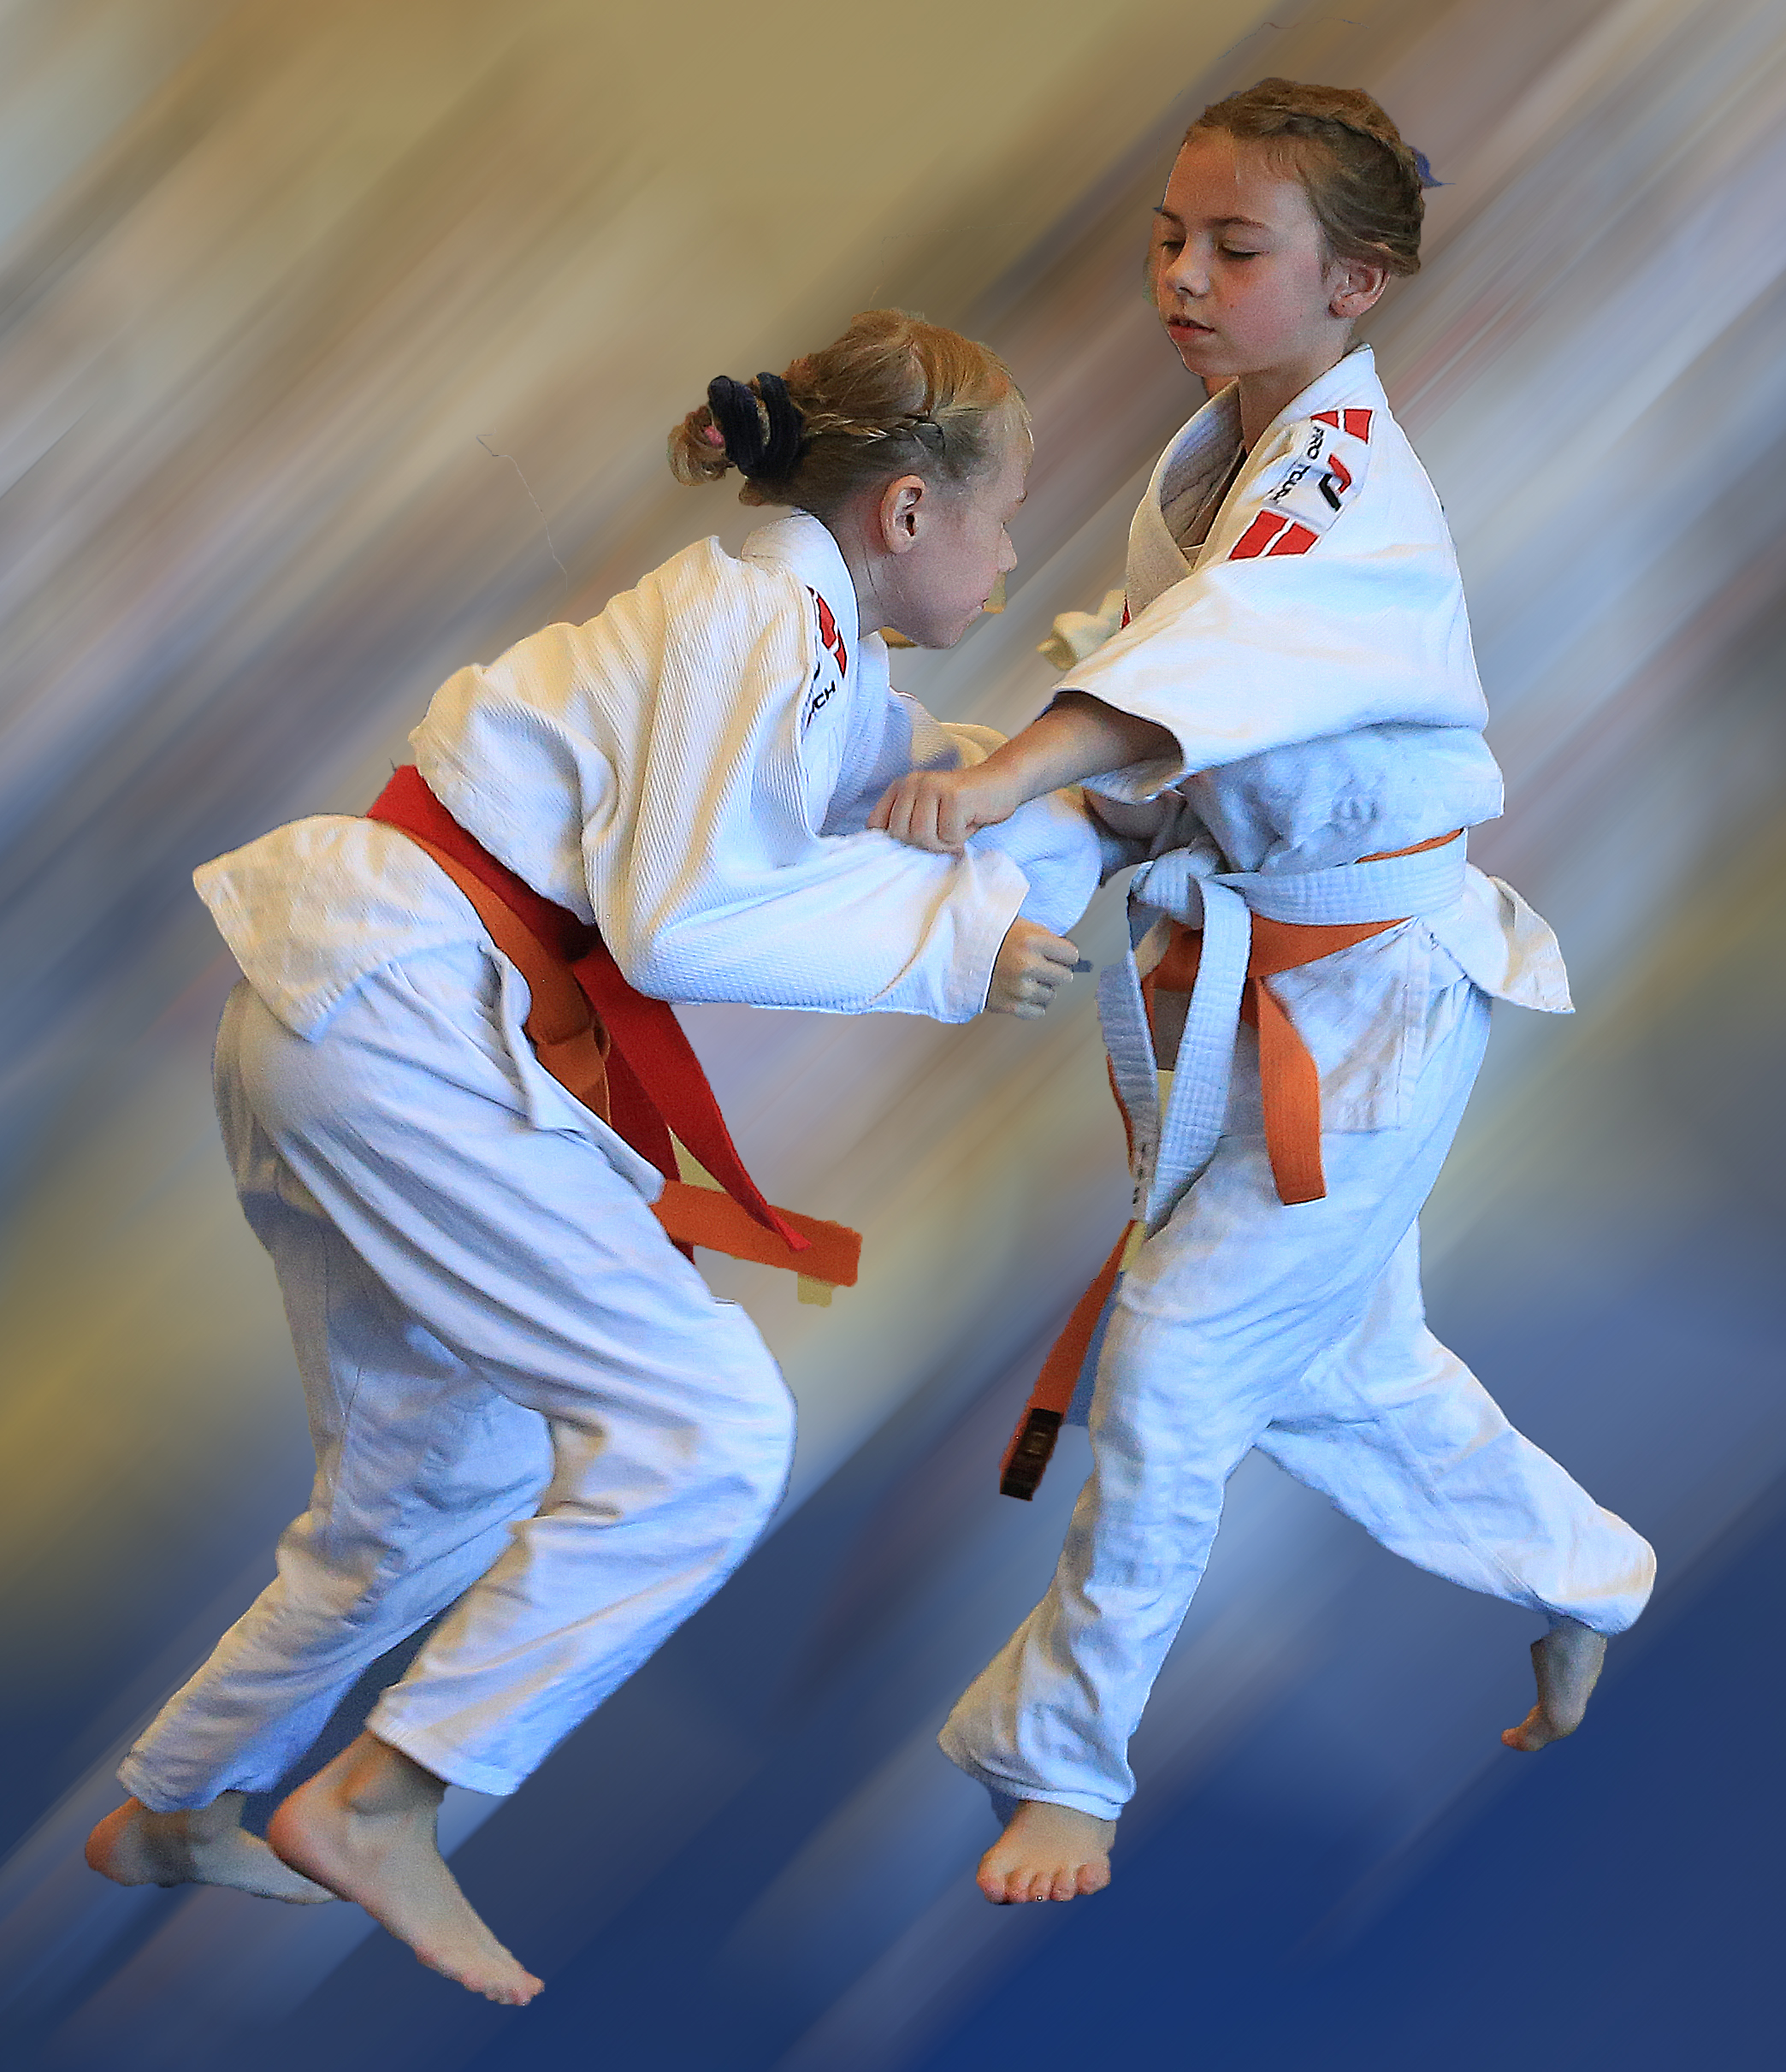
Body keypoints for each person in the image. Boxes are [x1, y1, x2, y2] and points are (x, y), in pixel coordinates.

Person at [84, 310, 1100, 1998]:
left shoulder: (802, 633)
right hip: (394, 1009)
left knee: (438, 1477)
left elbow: (903, 787)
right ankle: (385, 1798)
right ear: (908, 510)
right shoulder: (755, 619)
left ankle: (177, 1797)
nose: (1008, 559)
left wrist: (1077, 764)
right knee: (711, 1429)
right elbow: (685, 919)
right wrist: (958, 942)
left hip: (349, 1010)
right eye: (1002, 519)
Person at [873, 83, 1655, 1908]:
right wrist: (1004, 806)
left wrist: (1014, 774)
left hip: (1369, 1004)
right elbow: (1163, 700)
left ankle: (1064, 1761)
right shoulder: (1225, 461)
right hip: (1268, 976)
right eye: (1171, 237)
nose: (1183, 275)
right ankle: (1584, 1576)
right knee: (1346, 1365)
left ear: (1353, 284)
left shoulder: (1345, 494)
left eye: (1236, 248)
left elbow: (1207, 671)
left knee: (1177, 1356)